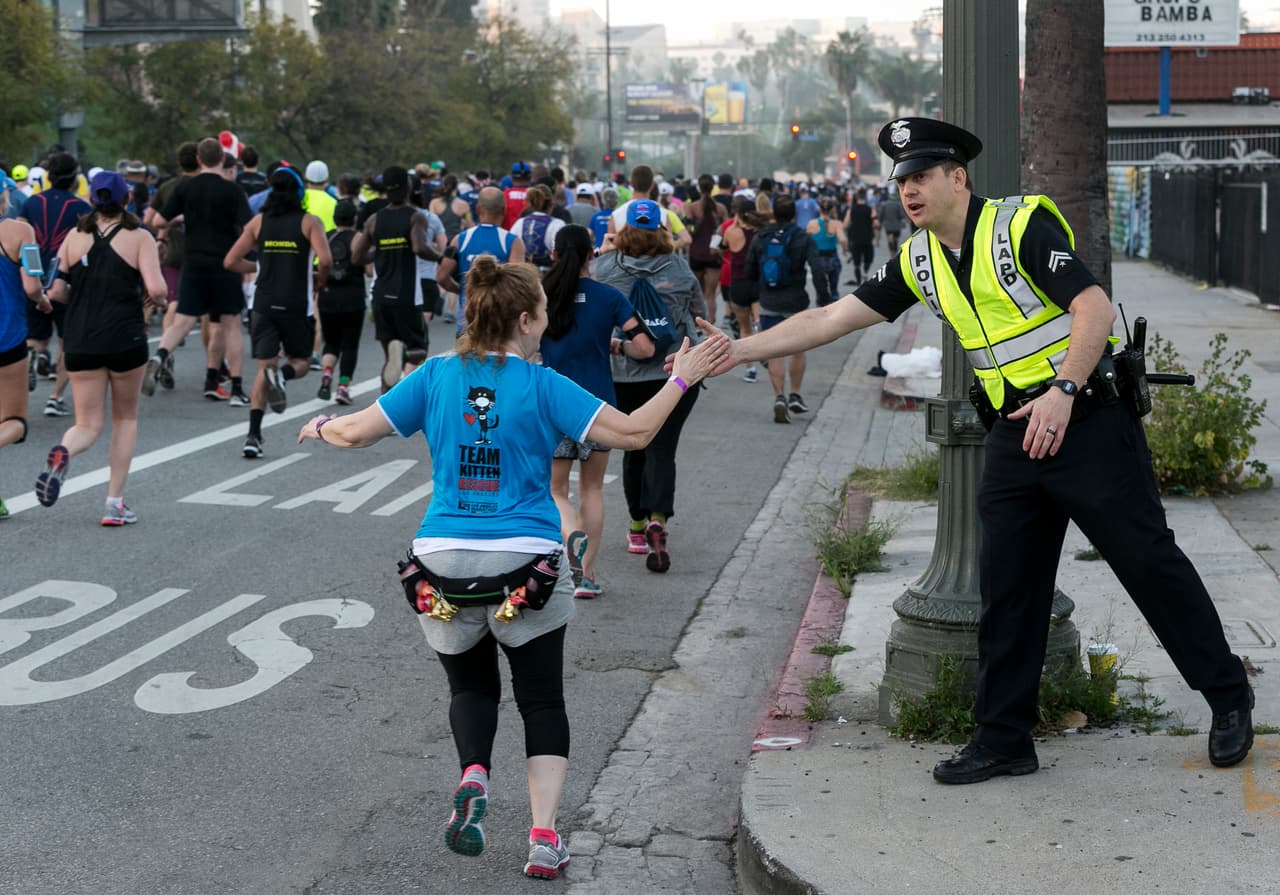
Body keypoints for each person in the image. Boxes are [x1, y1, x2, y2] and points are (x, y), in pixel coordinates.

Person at [709, 116, 1255, 784]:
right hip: (1013, 435)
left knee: (1148, 563)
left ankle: (1228, 696)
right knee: (1008, 589)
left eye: (922, 176)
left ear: (958, 178)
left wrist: (1063, 389)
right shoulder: (919, 259)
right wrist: (738, 349)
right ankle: (1003, 739)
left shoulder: (1019, 227)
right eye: (902, 181)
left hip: (1086, 422)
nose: (910, 191)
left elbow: (1093, 308)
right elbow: (830, 317)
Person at [295, 256, 727, 879]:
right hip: (525, 562)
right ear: (525, 320)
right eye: (544, 313)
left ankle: (474, 774)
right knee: (542, 701)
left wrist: (321, 425)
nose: (548, 321)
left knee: (470, 688)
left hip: (441, 561)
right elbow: (634, 433)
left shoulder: (435, 374)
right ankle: (544, 838)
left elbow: (358, 432)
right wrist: (682, 378)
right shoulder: (544, 384)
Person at [34, 172, 168, 523]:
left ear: (92, 200)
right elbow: (156, 289)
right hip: (125, 337)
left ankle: (64, 450)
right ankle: (114, 504)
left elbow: (56, 290)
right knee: (124, 419)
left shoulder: (73, 237)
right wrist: (161, 301)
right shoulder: (140, 237)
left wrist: (79, 297)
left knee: (87, 424)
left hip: (81, 338)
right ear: (127, 199)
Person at [540, 224, 655, 598]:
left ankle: (569, 534)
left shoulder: (542, 294)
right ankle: (585, 576)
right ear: (592, 255)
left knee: (556, 490)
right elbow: (645, 347)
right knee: (592, 489)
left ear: (554, 254)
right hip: (598, 407)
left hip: (552, 406)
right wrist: (616, 346)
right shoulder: (609, 297)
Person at [593, 199, 705, 571]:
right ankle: (659, 517)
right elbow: (700, 313)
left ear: (624, 229)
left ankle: (637, 527)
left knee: (633, 447)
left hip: (622, 374)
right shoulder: (679, 267)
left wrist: (603, 251)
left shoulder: (605, 268)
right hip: (673, 374)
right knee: (663, 448)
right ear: (662, 229)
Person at [224, 167, 331, 458]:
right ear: (299, 193)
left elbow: (231, 261)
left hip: (263, 304)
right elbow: (326, 260)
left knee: (264, 367)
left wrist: (259, 267)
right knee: (302, 362)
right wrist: (319, 279)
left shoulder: (258, 222)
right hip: (296, 305)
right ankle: (283, 376)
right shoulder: (309, 222)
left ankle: (253, 436)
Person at [146, 137, 253, 404]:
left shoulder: (185, 187)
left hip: (194, 261)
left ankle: (160, 355)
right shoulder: (232, 191)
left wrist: (180, 218)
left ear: (198, 159)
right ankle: (236, 388)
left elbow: (158, 220)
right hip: (225, 262)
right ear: (222, 159)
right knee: (230, 324)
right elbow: (249, 228)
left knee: (183, 320)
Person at [351, 165, 443, 391]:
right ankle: (404, 355)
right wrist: (441, 257)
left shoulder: (374, 220)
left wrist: (380, 251)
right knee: (419, 348)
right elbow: (419, 247)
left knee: (388, 360)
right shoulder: (415, 217)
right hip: (406, 295)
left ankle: (385, 404)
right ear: (408, 187)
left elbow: (356, 257)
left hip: (381, 296)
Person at [745, 193, 830, 423]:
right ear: (794, 214)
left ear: (773, 213)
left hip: (769, 302)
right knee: (798, 350)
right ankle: (795, 394)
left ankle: (779, 397)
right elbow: (817, 270)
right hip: (796, 303)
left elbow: (749, 271)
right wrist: (824, 298)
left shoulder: (761, 236)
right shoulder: (803, 237)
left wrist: (758, 293)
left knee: (775, 351)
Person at [18, 151, 90, 414]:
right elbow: (87, 247)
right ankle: (55, 397)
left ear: (49, 176)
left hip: (33, 277)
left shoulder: (31, 203)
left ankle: (34, 356)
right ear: (74, 178)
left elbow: (22, 241)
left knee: (35, 336)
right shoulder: (81, 208)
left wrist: (29, 271)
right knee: (67, 341)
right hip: (64, 279)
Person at [0, 188, 48, 518]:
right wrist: (43, 300)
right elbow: (32, 285)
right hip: (7, 337)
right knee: (14, 422)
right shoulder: (21, 232)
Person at [435, 186, 524, 336]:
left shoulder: (459, 239)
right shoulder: (513, 242)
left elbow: (441, 277)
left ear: (477, 209)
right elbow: (518, 285)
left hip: (467, 325)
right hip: (498, 325)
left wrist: (461, 290)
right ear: (504, 210)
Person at [314, 199, 365, 405]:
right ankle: (343, 387)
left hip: (327, 295)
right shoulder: (358, 238)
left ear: (335, 217)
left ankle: (327, 374)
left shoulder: (326, 237)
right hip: (352, 297)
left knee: (331, 341)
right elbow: (369, 269)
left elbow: (318, 264)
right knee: (350, 344)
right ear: (354, 218)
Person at [686, 174, 727, 329]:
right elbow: (725, 230)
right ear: (713, 187)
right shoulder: (721, 208)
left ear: (699, 188)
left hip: (696, 253)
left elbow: (689, 230)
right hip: (713, 254)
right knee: (710, 294)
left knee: (696, 293)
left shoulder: (692, 207)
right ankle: (710, 324)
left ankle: (697, 324)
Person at [806, 196, 846, 307]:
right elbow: (843, 239)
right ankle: (833, 307)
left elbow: (807, 241)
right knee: (834, 289)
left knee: (820, 289)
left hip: (818, 258)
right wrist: (845, 250)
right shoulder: (837, 223)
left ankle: (821, 307)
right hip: (832, 258)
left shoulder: (812, 223)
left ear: (820, 208)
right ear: (832, 209)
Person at [516, 184, 563, 273]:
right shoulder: (557, 224)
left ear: (531, 204)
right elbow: (560, 254)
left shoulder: (520, 223)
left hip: (524, 274)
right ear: (551, 204)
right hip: (548, 274)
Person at [843, 189, 876, 285]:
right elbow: (876, 223)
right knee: (868, 259)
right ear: (865, 198)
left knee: (856, 263)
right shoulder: (870, 209)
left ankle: (858, 281)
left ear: (857, 198)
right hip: (867, 238)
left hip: (855, 239)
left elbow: (845, 224)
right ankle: (865, 273)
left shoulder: (851, 210)